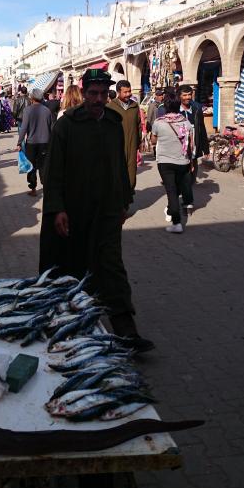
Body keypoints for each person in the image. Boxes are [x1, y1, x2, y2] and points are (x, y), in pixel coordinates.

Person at [40, 68, 153, 351]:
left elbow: (120, 165)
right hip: (74, 212)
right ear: (84, 93)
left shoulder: (114, 123)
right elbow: (52, 171)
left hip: (107, 210)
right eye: (93, 93)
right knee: (72, 267)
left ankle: (126, 330)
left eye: (103, 94)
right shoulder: (66, 126)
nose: (98, 99)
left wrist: (125, 201)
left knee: (111, 266)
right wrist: (57, 209)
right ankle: (71, 329)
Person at [151, 92, 194, 233]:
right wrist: (191, 161)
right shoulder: (186, 122)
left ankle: (177, 223)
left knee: (171, 191)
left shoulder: (158, 122)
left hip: (165, 162)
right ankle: (171, 212)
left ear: (166, 106)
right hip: (183, 162)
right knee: (177, 189)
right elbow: (191, 146)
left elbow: (153, 141)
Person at [16, 88, 52, 197]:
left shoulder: (28, 110)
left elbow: (24, 128)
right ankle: (46, 188)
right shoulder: (47, 111)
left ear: (32, 98)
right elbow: (52, 127)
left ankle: (33, 188)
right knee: (43, 166)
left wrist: (19, 142)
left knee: (31, 166)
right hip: (45, 143)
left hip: (31, 143)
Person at [107, 80, 141, 193]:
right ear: (118, 92)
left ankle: (128, 196)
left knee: (131, 173)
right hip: (115, 147)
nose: (128, 94)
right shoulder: (110, 107)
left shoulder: (135, 106)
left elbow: (138, 125)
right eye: (125, 92)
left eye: (129, 91)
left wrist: (139, 143)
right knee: (116, 174)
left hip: (132, 146)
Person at [177, 84, 209, 182]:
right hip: (178, 146)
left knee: (192, 174)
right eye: (185, 95)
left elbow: (201, 128)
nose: (188, 97)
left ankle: (190, 185)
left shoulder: (197, 108)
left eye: (189, 95)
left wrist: (206, 149)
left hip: (194, 144)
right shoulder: (175, 109)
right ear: (179, 96)